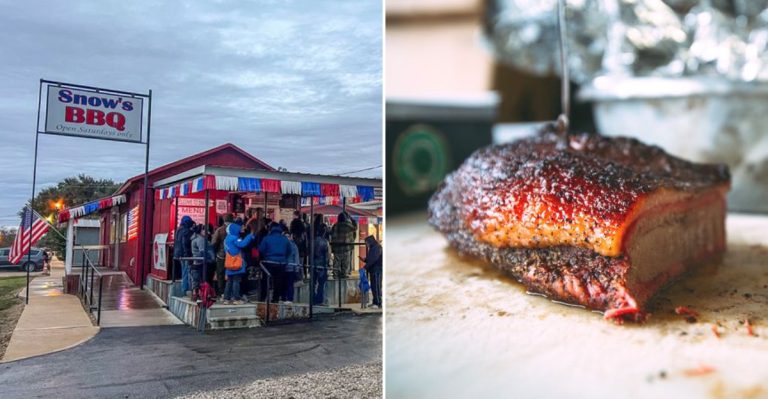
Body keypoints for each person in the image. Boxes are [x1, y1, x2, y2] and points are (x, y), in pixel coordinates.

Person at [223, 220, 257, 305]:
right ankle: (236, 298)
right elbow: (242, 244)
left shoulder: (226, 239)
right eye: (239, 228)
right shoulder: (234, 238)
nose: (241, 229)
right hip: (236, 262)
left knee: (229, 281)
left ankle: (226, 298)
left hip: (229, 262)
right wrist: (250, 236)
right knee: (236, 281)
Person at [258, 223, 292, 302]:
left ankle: (263, 298)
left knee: (265, 281)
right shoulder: (285, 239)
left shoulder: (266, 238)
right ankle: (275, 299)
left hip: (268, 262)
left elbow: (261, 249)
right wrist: (283, 258)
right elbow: (289, 251)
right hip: (281, 263)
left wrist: (266, 256)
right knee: (278, 282)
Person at [211, 214, 233, 297]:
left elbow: (214, 243)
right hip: (233, 255)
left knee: (220, 274)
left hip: (221, 255)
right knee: (231, 274)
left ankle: (221, 292)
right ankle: (230, 292)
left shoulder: (220, 230)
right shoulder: (235, 230)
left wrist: (216, 251)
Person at [330, 211, 357, 279]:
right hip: (346, 248)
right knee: (345, 265)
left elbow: (331, 234)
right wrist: (351, 218)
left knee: (336, 264)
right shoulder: (347, 225)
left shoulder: (335, 225)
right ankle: (344, 277)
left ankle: (335, 276)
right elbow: (355, 227)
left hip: (337, 249)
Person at [360, 235, 383, 309]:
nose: (366, 244)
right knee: (374, 286)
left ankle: (378, 303)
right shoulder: (374, 248)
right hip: (374, 270)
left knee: (376, 287)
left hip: (376, 270)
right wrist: (365, 260)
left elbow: (374, 259)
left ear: (370, 241)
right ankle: (375, 302)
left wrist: (365, 267)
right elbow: (371, 258)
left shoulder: (376, 248)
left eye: (366, 242)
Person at [173, 215, 194, 295]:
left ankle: (184, 289)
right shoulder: (186, 231)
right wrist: (187, 254)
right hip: (185, 255)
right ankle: (185, 290)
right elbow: (185, 243)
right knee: (187, 271)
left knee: (184, 271)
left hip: (179, 254)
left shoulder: (178, 230)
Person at [312, 224, 330, 305]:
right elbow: (327, 255)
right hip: (322, 264)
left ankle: (313, 299)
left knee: (313, 282)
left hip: (313, 263)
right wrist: (327, 264)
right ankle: (320, 299)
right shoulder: (325, 242)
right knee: (321, 283)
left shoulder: (313, 241)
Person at [190, 224, 206, 300]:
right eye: (204, 229)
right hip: (200, 262)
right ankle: (198, 294)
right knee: (199, 279)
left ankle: (194, 293)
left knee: (195, 279)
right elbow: (202, 250)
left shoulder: (194, 238)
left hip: (195, 261)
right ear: (200, 230)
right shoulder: (200, 239)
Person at [290, 210, 307, 278]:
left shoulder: (293, 223)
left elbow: (291, 233)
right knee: (301, 264)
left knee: (294, 263)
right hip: (302, 248)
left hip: (295, 247)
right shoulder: (303, 225)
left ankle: (296, 277)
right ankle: (301, 277)